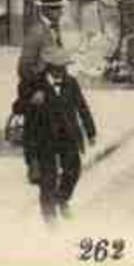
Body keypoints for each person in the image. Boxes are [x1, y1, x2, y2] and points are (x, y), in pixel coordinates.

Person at [20, 46, 94, 223]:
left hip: (67, 135)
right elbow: (17, 107)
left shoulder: (71, 82)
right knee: (48, 180)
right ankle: (50, 219)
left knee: (73, 170)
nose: (63, 71)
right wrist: (31, 101)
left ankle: (62, 199)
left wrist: (90, 131)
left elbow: (82, 107)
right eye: (59, 68)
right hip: (44, 139)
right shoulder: (34, 84)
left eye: (64, 67)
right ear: (50, 68)